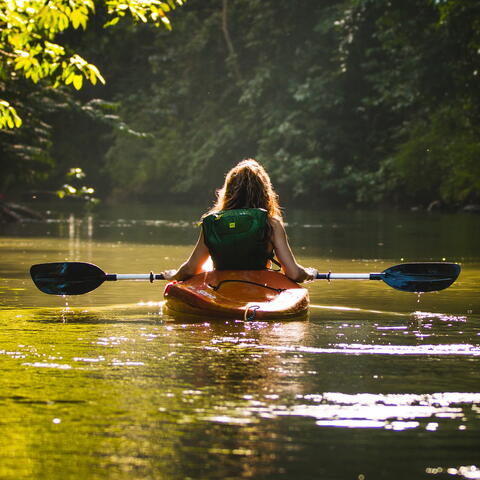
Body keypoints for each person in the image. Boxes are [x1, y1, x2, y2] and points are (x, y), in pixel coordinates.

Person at [161, 159, 317, 282]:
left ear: (228, 190)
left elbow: (191, 269)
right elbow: (294, 273)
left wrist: (174, 276)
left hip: (221, 288)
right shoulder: (271, 224)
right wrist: (309, 273)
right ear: (265, 192)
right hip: (259, 288)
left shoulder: (213, 222)